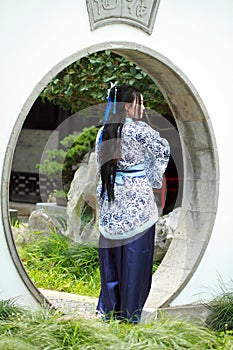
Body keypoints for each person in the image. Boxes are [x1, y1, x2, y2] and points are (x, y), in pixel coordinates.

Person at [95, 84, 170, 323]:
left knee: (113, 258)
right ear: (127, 106)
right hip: (137, 205)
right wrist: (146, 173)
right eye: (140, 102)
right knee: (135, 260)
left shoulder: (103, 132)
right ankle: (130, 316)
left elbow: (102, 166)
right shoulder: (139, 131)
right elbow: (162, 150)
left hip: (113, 202)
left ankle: (109, 312)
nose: (144, 107)